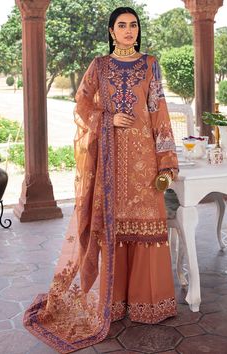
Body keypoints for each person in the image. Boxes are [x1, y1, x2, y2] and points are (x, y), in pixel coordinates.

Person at [23, 7, 178, 353]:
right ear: (111, 31)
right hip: (109, 163)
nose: (128, 30)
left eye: (133, 25)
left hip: (144, 157)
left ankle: (148, 303)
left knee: (148, 226)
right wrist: (106, 117)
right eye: (121, 25)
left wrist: (166, 160)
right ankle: (114, 302)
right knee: (113, 229)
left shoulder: (150, 64)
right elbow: (81, 104)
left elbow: (159, 110)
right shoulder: (100, 66)